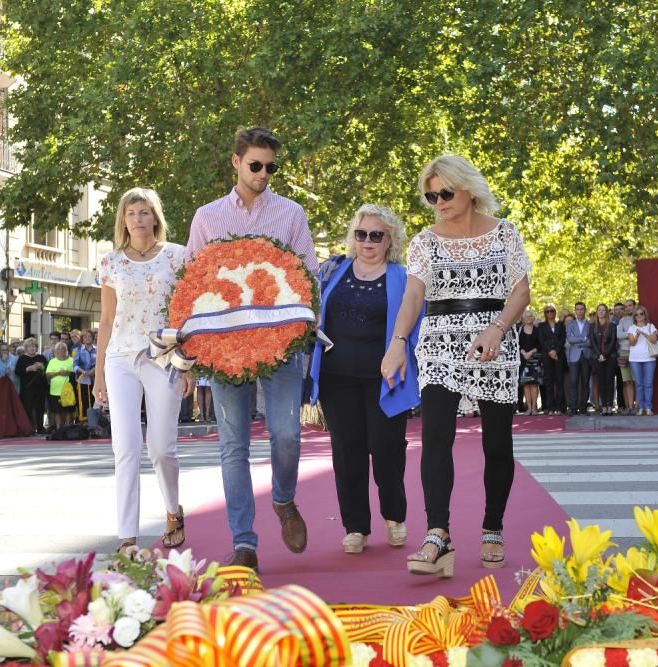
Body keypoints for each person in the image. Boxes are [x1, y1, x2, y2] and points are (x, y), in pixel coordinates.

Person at [381, 154, 531, 576]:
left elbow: (521, 293)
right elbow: (413, 297)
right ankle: (438, 534)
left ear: (469, 189)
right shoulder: (425, 241)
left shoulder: (504, 234)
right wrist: (397, 344)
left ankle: (493, 527)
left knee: (497, 443)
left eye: (446, 192)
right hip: (439, 341)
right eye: (431, 196)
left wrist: (498, 329)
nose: (439, 202)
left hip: (494, 337)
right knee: (436, 435)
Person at [185, 127, 318, 571]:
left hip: (281, 344)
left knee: (286, 434)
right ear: (236, 162)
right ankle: (244, 543)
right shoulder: (207, 217)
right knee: (232, 446)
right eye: (255, 165)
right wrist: (193, 342)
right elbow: (191, 280)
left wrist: (299, 326)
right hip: (224, 350)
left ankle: (283, 500)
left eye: (270, 167)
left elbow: (308, 274)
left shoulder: (291, 213)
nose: (263, 174)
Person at [308, 204, 421, 554]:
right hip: (336, 377)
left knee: (387, 451)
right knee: (347, 452)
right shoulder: (333, 270)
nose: (367, 241)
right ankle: (355, 525)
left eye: (376, 235)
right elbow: (311, 307)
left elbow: (415, 324)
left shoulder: (402, 277)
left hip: (386, 379)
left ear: (390, 240)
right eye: (361, 234)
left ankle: (394, 516)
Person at [95, 187, 193, 555]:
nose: (138, 218)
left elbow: (186, 313)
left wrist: (188, 365)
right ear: (123, 219)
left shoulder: (177, 257)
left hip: (163, 357)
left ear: (155, 217)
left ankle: (172, 511)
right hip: (120, 357)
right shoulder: (110, 263)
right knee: (126, 448)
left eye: (144, 211)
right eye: (131, 212)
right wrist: (100, 372)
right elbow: (106, 320)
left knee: (161, 448)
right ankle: (127, 537)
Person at [627, 305, 658, 415]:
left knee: (648, 383)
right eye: (636, 314)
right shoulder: (631, 328)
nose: (639, 316)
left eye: (641, 314)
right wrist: (636, 335)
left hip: (649, 358)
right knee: (639, 384)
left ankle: (648, 407)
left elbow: (654, 340)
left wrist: (643, 333)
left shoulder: (651, 326)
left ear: (645, 315)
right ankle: (641, 407)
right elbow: (631, 343)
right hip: (635, 359)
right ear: (634, 317)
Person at [589, 304, 618, 415]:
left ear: (606, 312)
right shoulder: (592, 326)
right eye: (599, 310)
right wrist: (599, 355)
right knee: (601, 382)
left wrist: (605, 355)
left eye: (603, 310)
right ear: (597, 312)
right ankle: (604, 406)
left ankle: (610, 406)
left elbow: (613, 341)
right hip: (598, 358)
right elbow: (592, 342)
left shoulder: (612, 326)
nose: (601, 312)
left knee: (610, 382)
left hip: (610, 357)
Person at [16, 338, 49, 434]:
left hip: (40, 387)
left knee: (40, 407)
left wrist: (42, 367)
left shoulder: (41, 357)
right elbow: (18, 372)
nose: (32, 348)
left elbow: (48, 368)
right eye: (30, 347)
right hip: (27, 387)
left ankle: (40, 427)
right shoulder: (22, 358)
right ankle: (29, 428)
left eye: (34, 346)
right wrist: (28, 369)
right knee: (28, 407)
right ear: (26, 348)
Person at [537, 304, 565, 415]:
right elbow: (541, 340)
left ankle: (559, 406)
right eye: (547, 311)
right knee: (548, 381)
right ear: (545, 313)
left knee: (559, 381)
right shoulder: (541, 326)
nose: (550, 313)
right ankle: (550, 407)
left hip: (559, 355)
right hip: (546, 355)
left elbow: (563, 339)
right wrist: (550, 351)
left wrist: (556, 351)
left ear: (555, 312)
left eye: (552, 311)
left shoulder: (560, 325)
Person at [566, 302, 592, 415]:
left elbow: (590, 341)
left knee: (585, 382)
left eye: (582, 309)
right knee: (573, 382)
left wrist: (578, 340)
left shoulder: (590, 324)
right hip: (574, 357)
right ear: (575, 311)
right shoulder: (570, 324)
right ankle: (573, 408)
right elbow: (570, 339)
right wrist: (583, 339)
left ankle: (583, 408)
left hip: (586, 355)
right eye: (577, 309)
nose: (580, 311)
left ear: (585, 310)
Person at [46, 342, 75, 431]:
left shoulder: (71, 360)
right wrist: (58, 373)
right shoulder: (52, 361)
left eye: (62, 348)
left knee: (68, 410)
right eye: (58, 349)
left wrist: (68, 373)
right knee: (56, 411)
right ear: (55, 351)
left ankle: (67, 427)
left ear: (66, 350)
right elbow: (47, 375)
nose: (60, 350)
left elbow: (75, 373)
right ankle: (58, 428)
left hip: (68, 390)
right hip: (55, 391)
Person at [518, 310, 542, 415]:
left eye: (530, 316)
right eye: (527, 316)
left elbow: (540, 344)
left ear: (533, 318)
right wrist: (524, 353)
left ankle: (534, 408)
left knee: (534, 385)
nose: (529, 318)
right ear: (523, 318)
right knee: (526, 385)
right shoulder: (519, 330)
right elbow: (517, 344)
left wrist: (531, 352)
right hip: (523, 360)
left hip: (535, 360)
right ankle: (528, 408)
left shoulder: (538, 330)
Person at [617, 298, 637, 413]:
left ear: (635, 306)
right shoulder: (622, 320)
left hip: (637, 353)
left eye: (630, 305)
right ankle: (629, 406)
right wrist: (631, 334)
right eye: (626, 306)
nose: (628, 308)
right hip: (624, 352)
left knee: (637, 380)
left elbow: (641, 333)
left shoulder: (639, 318)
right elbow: (619, 335)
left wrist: (627, 334)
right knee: (627, 380)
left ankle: (637, 406)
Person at [73, 330, 97, 413]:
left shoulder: (97, 350)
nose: (87, 338)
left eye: (89, 336)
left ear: (93, 338)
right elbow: (75, 365)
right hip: (82, 380)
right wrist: (82, 371)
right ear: (82, 339)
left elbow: (100, 363)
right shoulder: (78, 350)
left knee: (94, 401)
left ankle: (94, 422)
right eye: (85, 337)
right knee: (83, 402)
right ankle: (84, 422)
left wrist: (92, 371)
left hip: (95, 380)